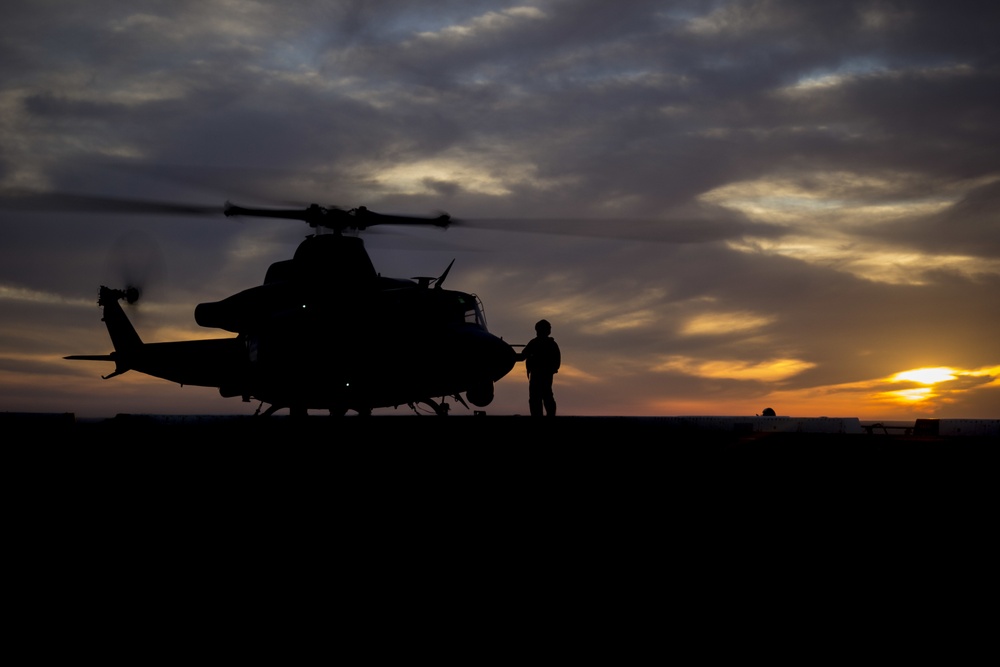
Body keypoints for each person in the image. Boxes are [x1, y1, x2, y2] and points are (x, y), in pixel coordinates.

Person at [516, 319, 561, 417]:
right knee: (545, 396)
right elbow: (557, 361)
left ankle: (539, 418)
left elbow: (522, 356)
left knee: (539, 397)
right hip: (544, 375)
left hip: (539, 375)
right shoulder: (550, 344)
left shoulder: (535, 343)